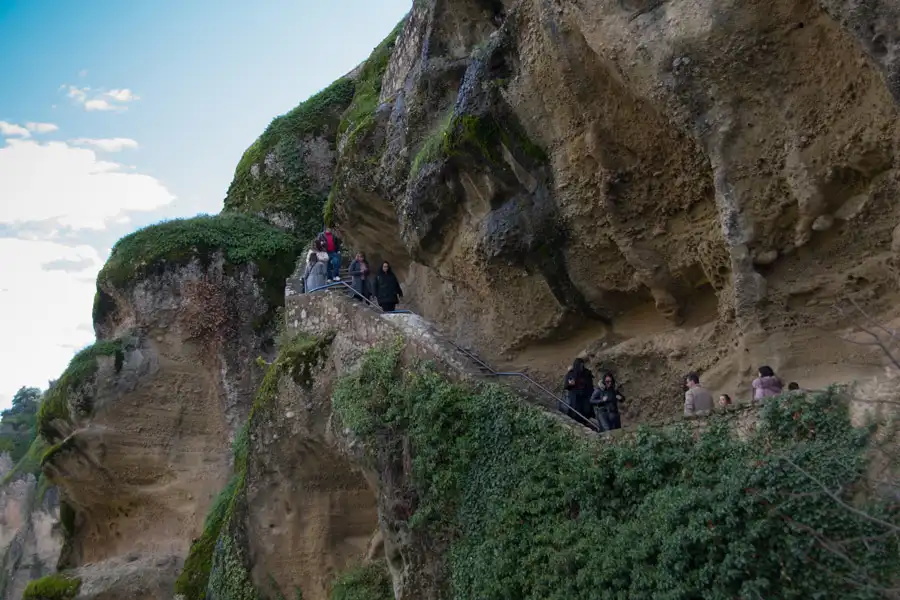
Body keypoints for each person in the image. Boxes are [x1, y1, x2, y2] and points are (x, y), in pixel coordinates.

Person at [562, 358, 594, 427]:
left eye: (582, 365)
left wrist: (591, 394)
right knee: (576, 411)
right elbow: (566, 386)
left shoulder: (586, 373)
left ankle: (585, 423)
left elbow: (590, 385)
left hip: (585, 396)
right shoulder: (571, 374)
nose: (581, 367)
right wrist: (570, 384)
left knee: (587, 410)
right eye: (580, 365)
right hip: (575, 396)